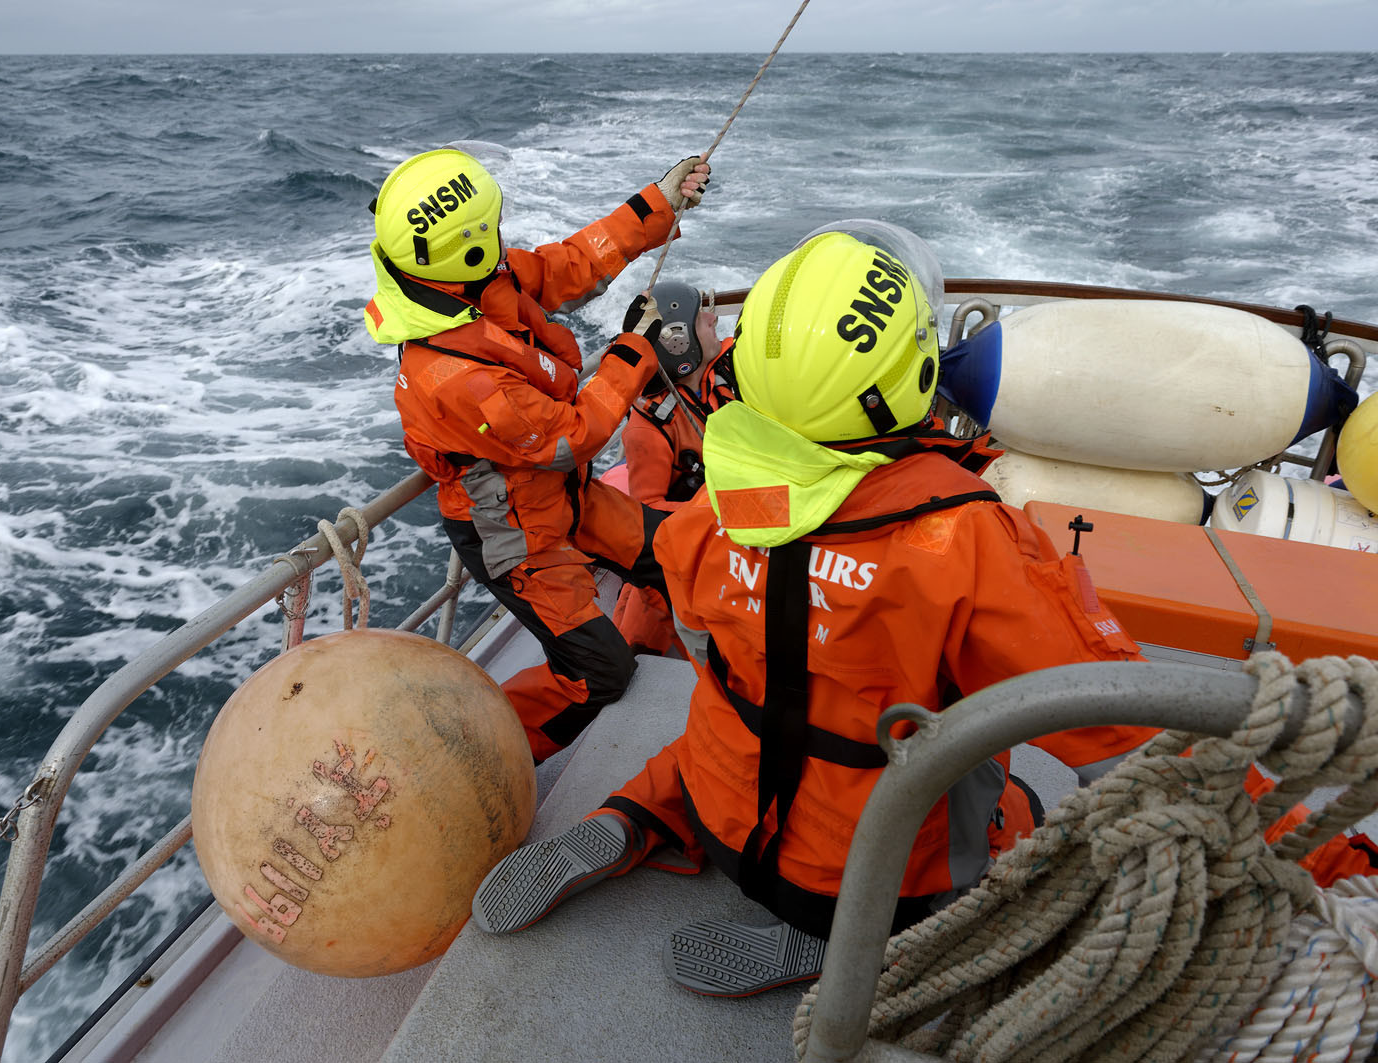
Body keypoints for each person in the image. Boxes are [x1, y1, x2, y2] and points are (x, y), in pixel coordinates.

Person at [470, 223, 1160, 996]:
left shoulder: (706, 516)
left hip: (727, 816)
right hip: (858, 879)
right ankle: (844, 938)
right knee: (1001, 790)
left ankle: (629, 816)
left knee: (743, 709)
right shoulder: (968, 545)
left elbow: (702, 647)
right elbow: (1123, 734)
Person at [363, 146, 711, 762]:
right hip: (517, 537)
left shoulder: (466, 284)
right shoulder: (452, 376)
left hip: (562, 501)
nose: (501, 238)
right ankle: (472, 761)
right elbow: (572, 435)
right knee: (600, 673)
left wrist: (658, 200)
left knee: (681, 552)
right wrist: (636, 350)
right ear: (467, 249)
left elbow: (567, 266)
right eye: (491, 229)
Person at [610, 279, 734, 656]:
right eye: (702, 317)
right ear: (679, 342)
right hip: (702, 531)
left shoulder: (731, 369)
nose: (713, 319)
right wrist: (720, 515)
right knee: (644, 637)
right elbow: (648, 513)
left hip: (739, 515)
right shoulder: (648, 429)